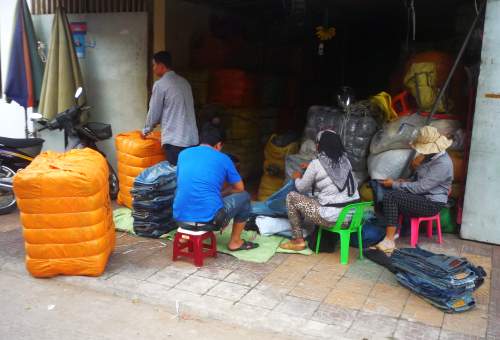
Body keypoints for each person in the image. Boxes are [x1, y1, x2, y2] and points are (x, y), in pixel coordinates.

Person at [173, 121, 259, 251]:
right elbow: (239, 188)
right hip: (209, 220)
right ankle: (235, 242)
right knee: (245, 196)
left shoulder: (183, 154)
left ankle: (186, 233)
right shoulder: (223, 158)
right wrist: (223, 193)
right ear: (219, 145)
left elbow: (182, 181)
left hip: (179, 218)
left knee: (183, 190)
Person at [374, 126, 454, 253]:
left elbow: (420, 187)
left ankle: (389, 240)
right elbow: (419, 180)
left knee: (391, 196)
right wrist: (405, 182)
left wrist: (395, 184)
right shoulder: (430, 157)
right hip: (423, 197)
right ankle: (392, 232)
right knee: (388, 194)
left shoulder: (442, 164)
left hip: (431, 203)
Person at [279, 130, 360, 251]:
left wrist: (297, 178)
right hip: (352, 218)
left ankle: (298, 240)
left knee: (292, 197)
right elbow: (333, 172)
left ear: (320, 145)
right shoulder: (346, 162)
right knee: (318, 197)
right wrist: (310, 168)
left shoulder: (316, 164)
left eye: (318, 143)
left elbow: (301, 187)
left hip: (332, 219)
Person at [142, 51, 198, 166]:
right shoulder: (185, 82)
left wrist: (146, 129)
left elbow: (154, 112)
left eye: (154, 65)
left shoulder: (160, 85)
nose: (153, 68)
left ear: (161, 66)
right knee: (188, 175)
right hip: (192, 139)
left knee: (175, 176)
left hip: (176, 142)